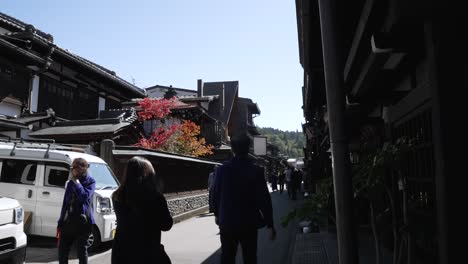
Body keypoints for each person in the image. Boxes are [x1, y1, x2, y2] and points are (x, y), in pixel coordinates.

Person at [212, 134, 276, 264]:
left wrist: (217, 215)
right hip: (249, 222)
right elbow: (264, 199)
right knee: (250, 257)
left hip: (227, 221)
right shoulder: (256, 171)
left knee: (227, 257)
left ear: (232, 150)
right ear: (248, 149)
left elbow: (215, 194)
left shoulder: (222, 170)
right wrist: (270, 224)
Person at [111, 157, 173, 264]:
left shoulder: (117, 196)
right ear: (145, 174)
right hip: (148, 253)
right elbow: (166, 225)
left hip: (122, 252)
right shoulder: (155, 198)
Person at [57, 158, 96, 264]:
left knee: (81, 251)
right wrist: (60, 221)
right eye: (72, 167)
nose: (72, 170)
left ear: (82, 169)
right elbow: (65, 203)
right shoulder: (70, 183)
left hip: (83, 222)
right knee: (62, 250)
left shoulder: (91, 182)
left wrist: (77, 184)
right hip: (69, 221)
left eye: (74, 168)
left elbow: (84, 197)